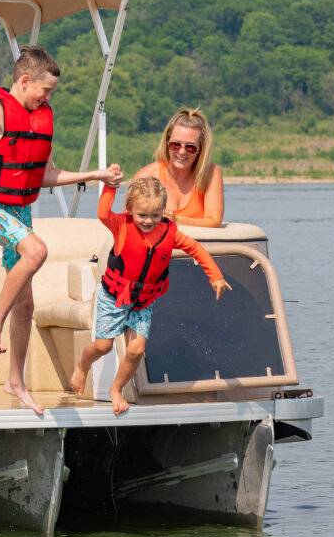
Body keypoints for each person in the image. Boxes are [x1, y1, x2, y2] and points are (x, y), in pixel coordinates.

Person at [0, 46, 121, 415]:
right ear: (25, 81)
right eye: (45, 90)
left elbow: (46, 176)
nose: (48, 98)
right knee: (37, 251)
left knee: (26, 304)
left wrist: (96, 175)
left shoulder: (41, 119)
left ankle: (15, 381)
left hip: (19, 211)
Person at [69, 176, 230, 416]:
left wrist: (215, 276)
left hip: (143, 302)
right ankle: (82, 367)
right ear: (129, 209)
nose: (148, 221)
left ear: (163, 211)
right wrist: (110, 186)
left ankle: (116, 389)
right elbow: (103, 213)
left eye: (155, 215)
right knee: (103, 346)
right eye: (142, 215)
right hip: (114, 297)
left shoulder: (169, 233)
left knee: (136, 350)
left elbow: (195, 248)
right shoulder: (121, 225)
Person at [133, 107, 224, 227]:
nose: (182, 152)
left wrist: (176, 220)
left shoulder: (211, 173)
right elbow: (130, 219)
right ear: (167, 142)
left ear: (200, 149)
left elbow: (214, 221)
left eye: (190, 147)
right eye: (175, 145)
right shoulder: (146, 175)